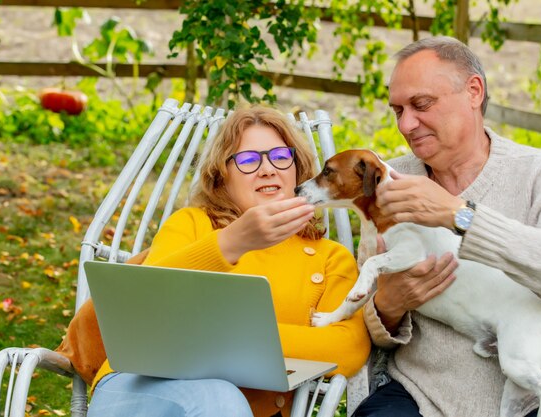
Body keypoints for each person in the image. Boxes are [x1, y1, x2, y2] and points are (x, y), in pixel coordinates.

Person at [86, 105, 371, 417]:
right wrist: (233, 242)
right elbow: (146, 302)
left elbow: (347, 348)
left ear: (298, 169)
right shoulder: (192, 224)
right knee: (219, 397)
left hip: (244, 409)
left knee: (221, 398)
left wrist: (209, 338)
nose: (267, 169)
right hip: (140, 386)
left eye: (280, 157)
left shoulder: (329, 258)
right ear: (221, 175)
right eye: (248, 160)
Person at [354, 36, 541, 417]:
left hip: (537, 401)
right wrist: (388, 306)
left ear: (473, 91)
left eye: (421, 104)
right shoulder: (387, 183)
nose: (406, 124)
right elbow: (363, 319)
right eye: (397, 110)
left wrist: (460, 216)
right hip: (419, 397)